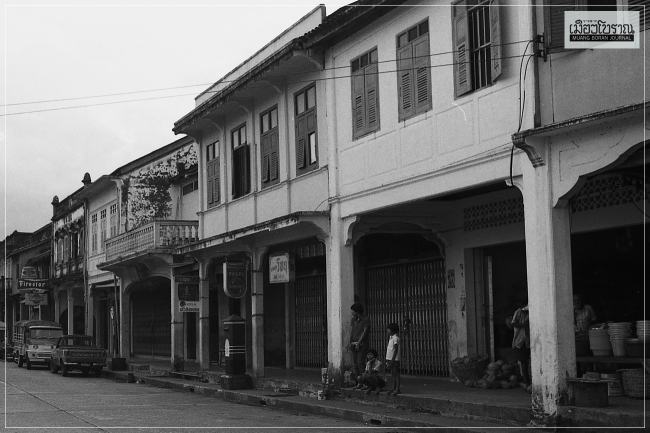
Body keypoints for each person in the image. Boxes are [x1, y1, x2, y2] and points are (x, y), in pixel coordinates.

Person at [509, 299, 531, 392]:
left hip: (529, 341)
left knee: (529, 363)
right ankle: (527, 383)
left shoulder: (532, 311)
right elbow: (512, 324)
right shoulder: (518, 312)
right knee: (524, 362)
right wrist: (523, 324)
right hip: (520, 342)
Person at [349, 302, 370, 382]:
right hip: (354, 342)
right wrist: (350, 341)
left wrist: (359, 342)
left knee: (360, 363)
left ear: (357, 311)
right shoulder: (353, 320)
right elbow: (352, 331)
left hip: (362, 343)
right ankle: (359, 380)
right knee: (355, 364)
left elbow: (365, 331)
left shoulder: (365, 319)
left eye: (353, 311)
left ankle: (364, 381)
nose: (352, 313)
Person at [384, 323, 401, 395]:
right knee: (392, 373)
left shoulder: (395, 338)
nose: (387, 331)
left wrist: (393, 359)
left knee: (396, 373)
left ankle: (397, 388)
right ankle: (393, 387)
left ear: (393, 330)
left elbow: (396, 349)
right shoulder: (391, 338)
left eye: (388, 329)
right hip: (390, 358)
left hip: (394, 359)